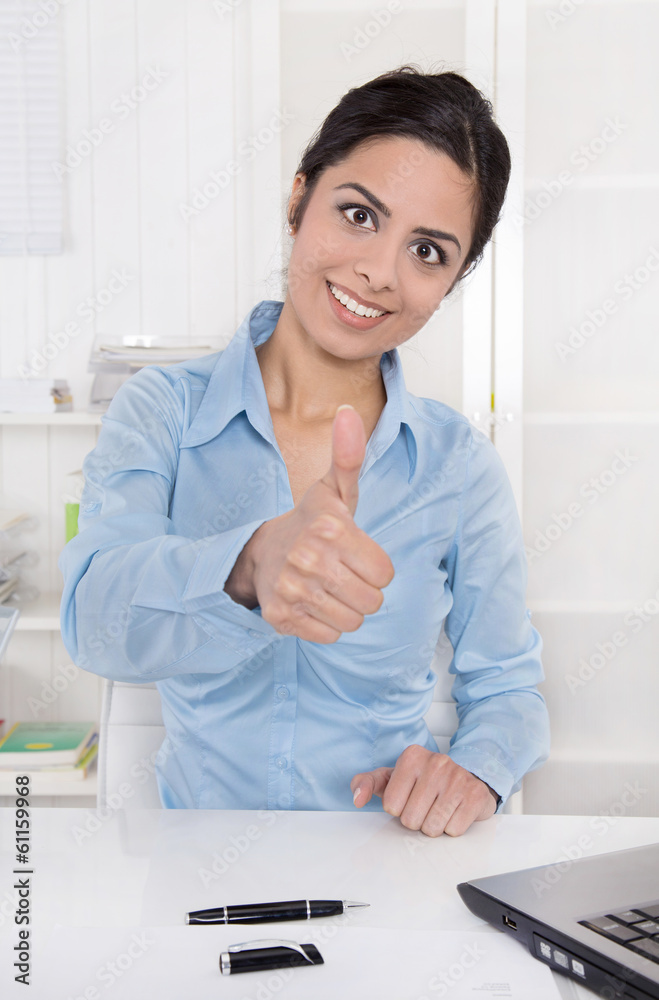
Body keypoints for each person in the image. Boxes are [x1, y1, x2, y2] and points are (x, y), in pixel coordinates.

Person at [59, 65, 549, 837]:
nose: (378, 272)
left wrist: (474, 771)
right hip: (198, 874)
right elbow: (94, 622)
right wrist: (245, 567)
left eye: (427, 251)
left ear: (450, 282)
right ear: (298, 200)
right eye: (358, 214)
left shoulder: (458, 466)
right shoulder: (162, 410)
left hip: (387, 864)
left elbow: (508, 687)